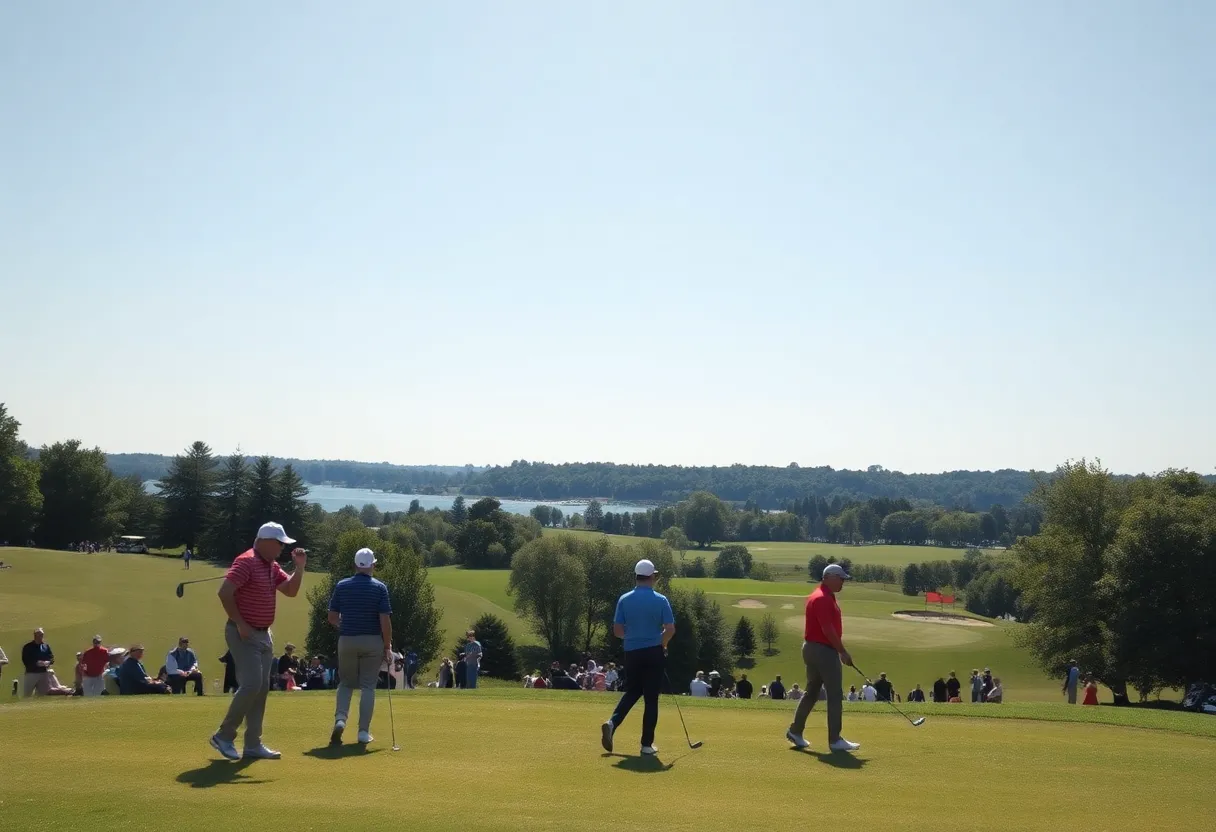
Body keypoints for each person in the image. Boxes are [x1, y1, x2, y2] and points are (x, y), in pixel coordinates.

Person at [210, 522, 307, 762]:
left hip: (264, 634)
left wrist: (300, 568)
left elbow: (290, 591)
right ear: (264, 542)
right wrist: (241, 623)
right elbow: (224, 592)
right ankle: (224, 735)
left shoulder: (270, 565)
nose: (282, 549)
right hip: (243, 632)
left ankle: (253, 744)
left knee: (262, 689)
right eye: (279, 544)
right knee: (252, 684)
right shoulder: (247, 561)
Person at [600, 558, 675, 756]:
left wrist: (633, 637)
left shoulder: (624, 599)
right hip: (653, 652)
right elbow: (670, 629)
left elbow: (617, 630)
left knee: (632, 692)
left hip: (632, 652)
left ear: (636, 576)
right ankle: (646, 745)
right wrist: (663, 643)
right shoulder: (660, 600)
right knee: (651, 699)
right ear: (652, 577)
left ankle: (612, 723)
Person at [786, 564, 860, 753]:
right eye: (841, 578)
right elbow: (828, 629)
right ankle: (835, 740)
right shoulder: (822, 598)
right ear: (829, 577)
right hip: (823, 650)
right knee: (834, 694)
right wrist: (842, 651)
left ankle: (795, 731)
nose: (843, 582)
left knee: (811, 692)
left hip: (812, 648)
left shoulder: (822, 595)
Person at [327, 546, 392, 746]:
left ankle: (340, 719)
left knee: (346, 683)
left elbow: (331, 617)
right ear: (372, 565)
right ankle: (363, 732)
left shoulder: (342, 585)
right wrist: (387, 646)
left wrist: (344, 625)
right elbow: (385, 621)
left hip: (347, 639)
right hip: (372, 640)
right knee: (368, 687)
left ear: (355, 564)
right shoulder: (379, 587)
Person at [22, 628, 72, 697]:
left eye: (42, 635)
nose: (41, 636)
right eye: (39, 635)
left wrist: (48, 662)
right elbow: (25, 660)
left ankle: (68, 692)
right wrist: (36, 663)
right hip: (31, 673)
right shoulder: (28, 647)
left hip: (43, 673)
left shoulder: (45, 646)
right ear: (35, 635)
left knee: (44, 693)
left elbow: (51, 657)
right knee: (27, 695)